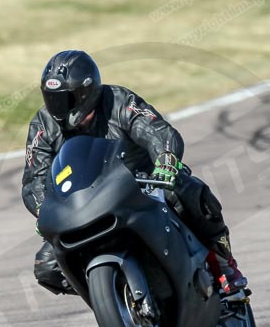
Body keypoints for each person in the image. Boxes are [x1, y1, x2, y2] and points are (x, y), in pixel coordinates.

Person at [22, 50, 248, 298]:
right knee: (47, 267)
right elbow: (35, 178)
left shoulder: (119, 101)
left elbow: (156, 131)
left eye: (67, 99)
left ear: (87, 92)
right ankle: (110, 296)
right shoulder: (43, 126)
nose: (59, 108)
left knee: (187, 191)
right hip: (82, 205)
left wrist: (166, 160)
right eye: (53, 99)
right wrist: (43, 209)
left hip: (140, 185)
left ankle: (223, 266)